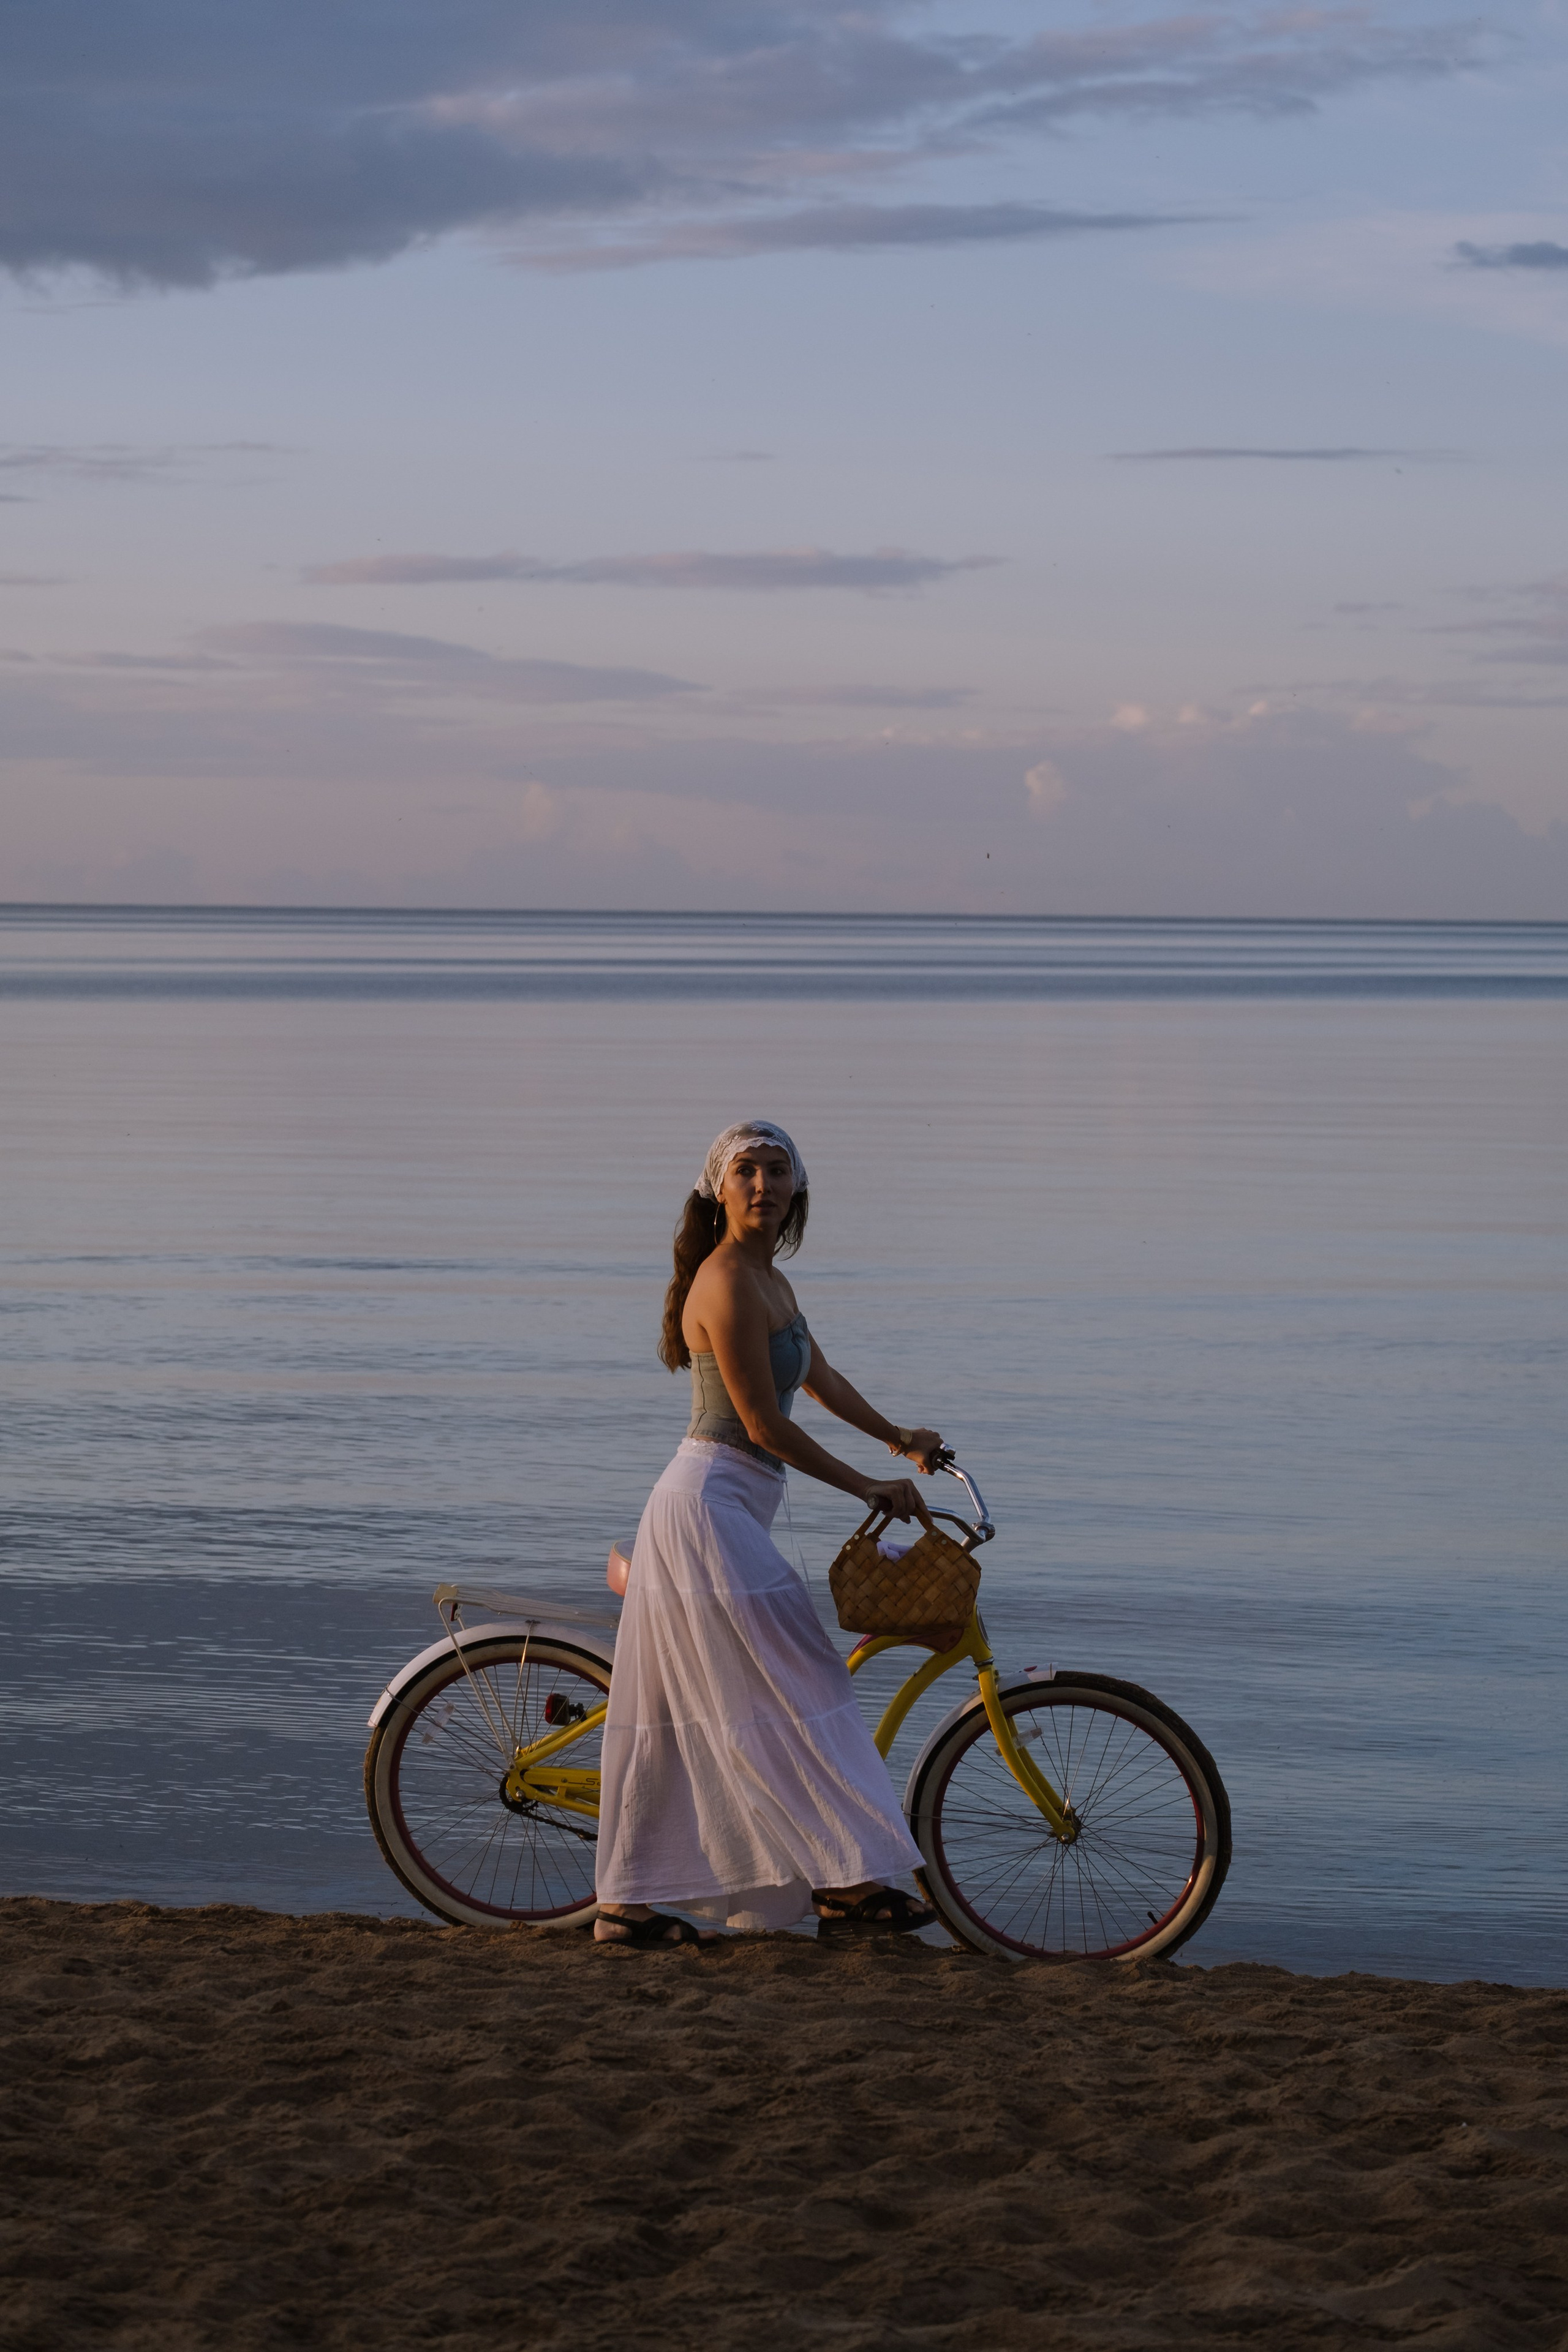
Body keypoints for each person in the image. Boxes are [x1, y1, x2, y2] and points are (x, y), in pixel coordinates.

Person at [594, 1119, 945, 1947]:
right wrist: (866, 1485)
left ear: (798, 1190)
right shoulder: (723, 1282)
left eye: (777, 1170)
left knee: (687, 1714)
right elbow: (760, 1425)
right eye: (746, 1171)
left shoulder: (769, 1281)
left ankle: (628, 1906)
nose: (763, 1185)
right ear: (718, 1189)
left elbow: (817, 1378)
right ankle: (848, 1884)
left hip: (735, 1506)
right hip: (709, 1506)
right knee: (809, 1677)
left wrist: (901, 1441)